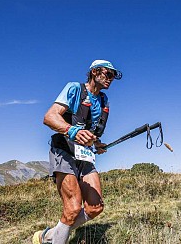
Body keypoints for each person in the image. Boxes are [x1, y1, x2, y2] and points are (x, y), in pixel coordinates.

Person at [33, 60, 122, 244]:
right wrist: (72, 130)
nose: (111, 79)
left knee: (95, 208)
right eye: (108, 74)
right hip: (64, 150)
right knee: (72, 209)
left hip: (85, 154)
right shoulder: (75, 89)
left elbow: (90, 131)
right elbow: (49, 117)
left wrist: (97, 144)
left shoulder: (104, 100)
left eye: (114, 75)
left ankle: (48, 236)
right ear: (94, 72)